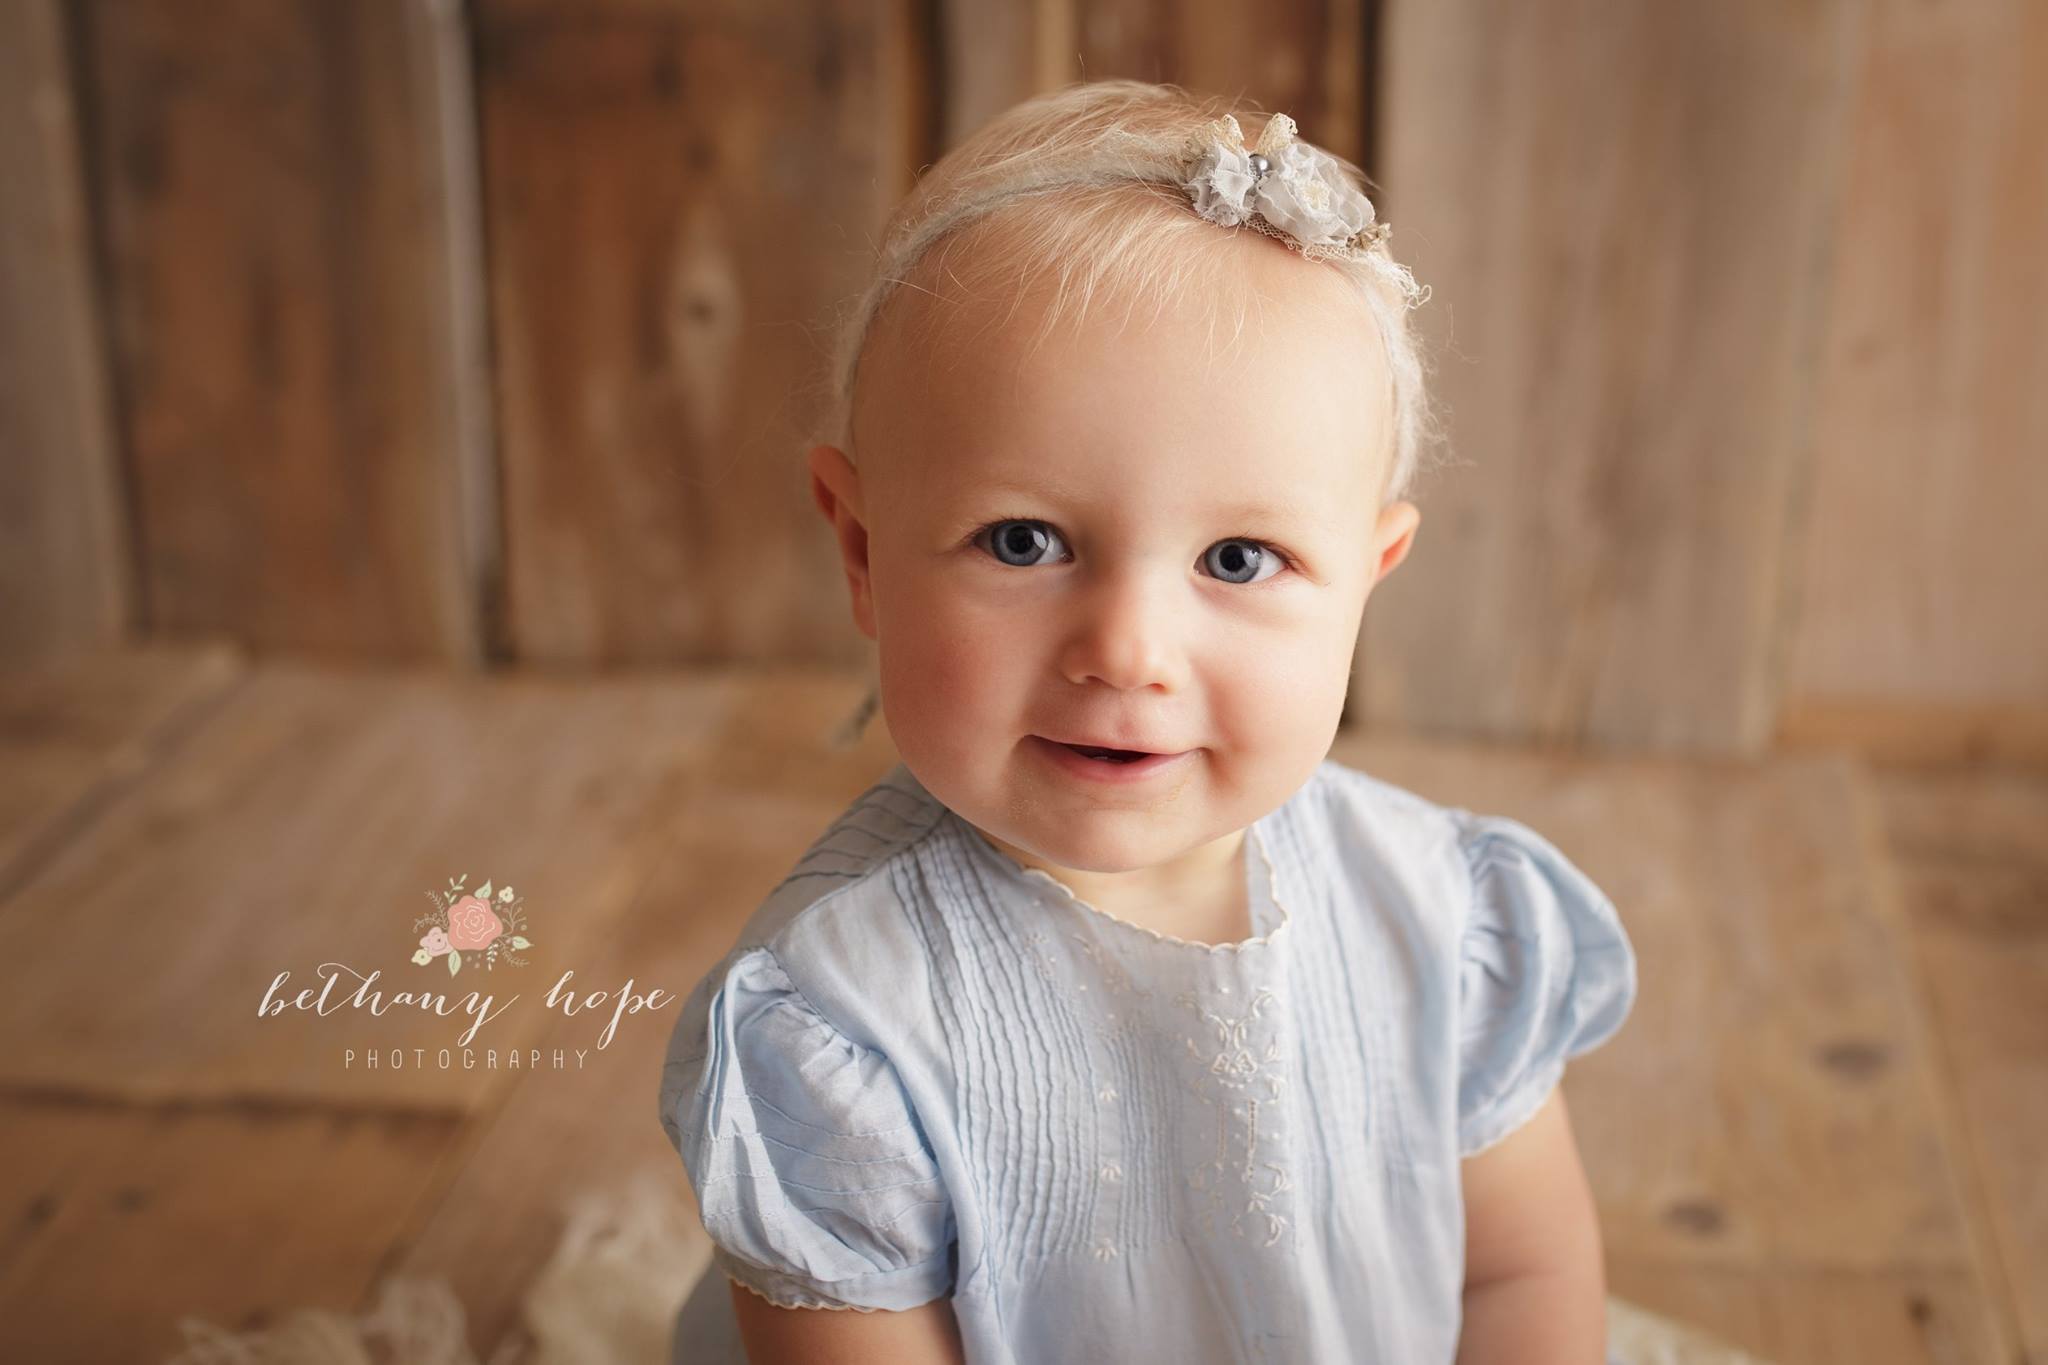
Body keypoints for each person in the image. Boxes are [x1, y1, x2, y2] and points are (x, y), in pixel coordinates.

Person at [658, 79, 1638, 1365]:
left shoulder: (1441, 919)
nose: (1125, 651)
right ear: (860, 546)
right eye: (1025, 541)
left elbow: (1518, 1278)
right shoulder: (842, 1029)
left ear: (1367, 579)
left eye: (1238, 560)